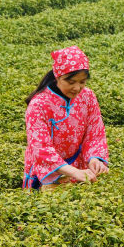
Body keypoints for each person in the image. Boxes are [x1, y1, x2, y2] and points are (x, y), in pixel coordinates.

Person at [23, 45, 109, 191]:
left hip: (80, 169)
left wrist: (94, 159)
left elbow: (95, 133)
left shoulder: (87, 97)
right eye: (71, 82)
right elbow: (41, 149)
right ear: (58, 77)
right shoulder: (39, 104)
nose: (77, 88)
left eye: (82, 82)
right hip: (48, 173)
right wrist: (73, 172)